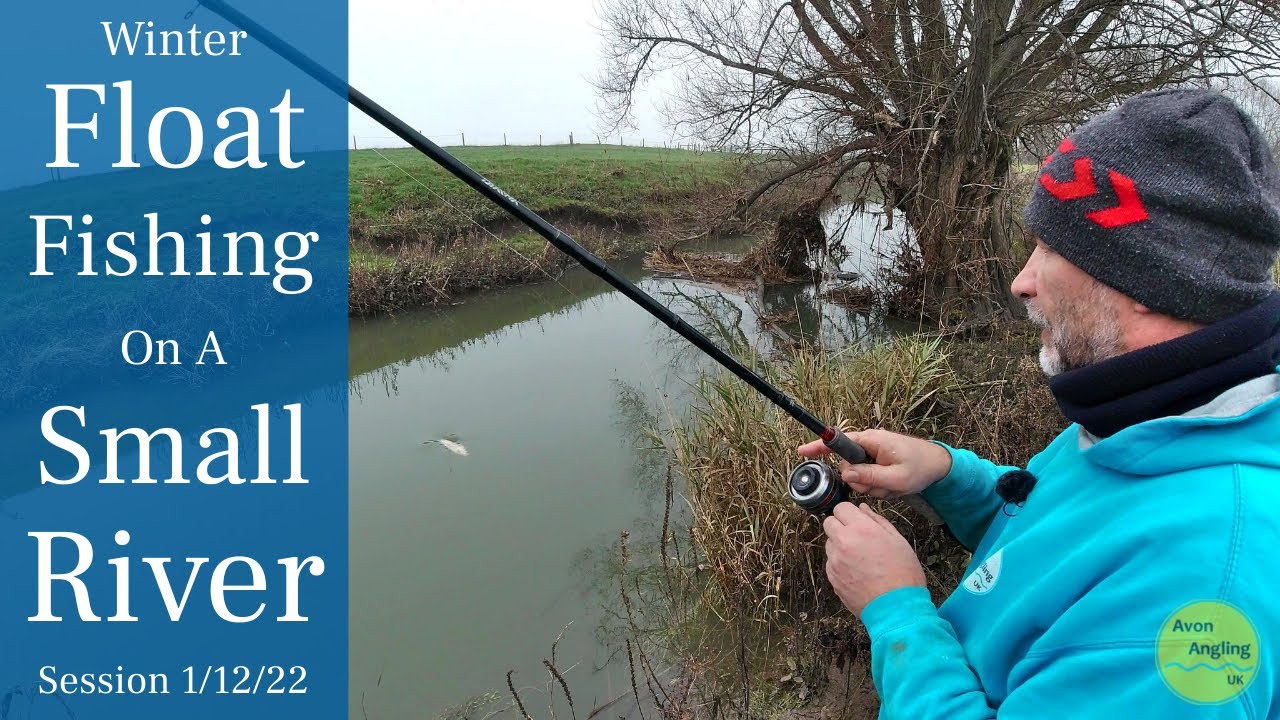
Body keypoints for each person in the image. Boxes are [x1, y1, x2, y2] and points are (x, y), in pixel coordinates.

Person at [797, 87, 1280, 717]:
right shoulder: (1150, 415)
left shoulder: (1204, 591)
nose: (1023, 282)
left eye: (1052, 250)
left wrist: (897, 613)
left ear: (1147, 282)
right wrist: (949, 475)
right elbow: (1068, 532)